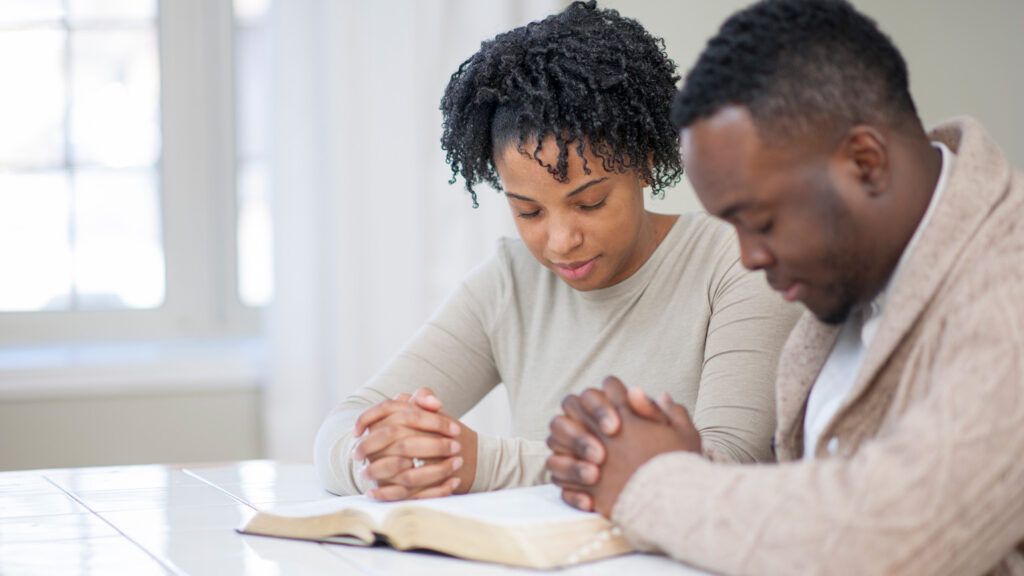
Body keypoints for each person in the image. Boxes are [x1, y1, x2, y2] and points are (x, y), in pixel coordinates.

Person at [546, 0, 1024, 574]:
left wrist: (654, 481)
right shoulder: (855, 280)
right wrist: (669, 458)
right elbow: (822, 494)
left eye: (764, 222)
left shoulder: (1008, 289)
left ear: (866, 162)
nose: (749, 257)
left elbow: (890, 539)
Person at [314, 1, 798, 502]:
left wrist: (485, 464)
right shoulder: (510, 283)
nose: (561, 242)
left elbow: (728, 463)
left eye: (590, 202)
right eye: (529, 212)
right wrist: (380, 461)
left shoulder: (738, 263)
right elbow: (344, 423)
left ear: (646, 163)